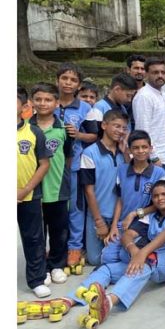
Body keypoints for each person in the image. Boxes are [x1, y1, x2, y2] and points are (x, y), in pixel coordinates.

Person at [65, 181, 165, 329]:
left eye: (164, 194)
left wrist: (142, 253)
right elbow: (127, 235)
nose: (160, 198)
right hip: (155, 255)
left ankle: (108, 302)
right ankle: (74, 298)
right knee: (107, 269)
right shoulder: (152, 216)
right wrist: (134, 250)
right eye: (155, 196)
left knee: (146, 262)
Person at [54, 63, 98, 272]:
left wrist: (78, 135)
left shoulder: (85, 108)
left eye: (73, 80)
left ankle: (74, 247)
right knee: (54, 207)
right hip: (50, 168)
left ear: (78, 85)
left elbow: (94, 135)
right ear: (58, 81)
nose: (68, 83)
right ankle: (56, 247)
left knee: (76, 208)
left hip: (74, 166)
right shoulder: (48, 104)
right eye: (65, 78)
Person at [30, 83, 73, 285]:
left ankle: (56, 265)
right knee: (37, 233)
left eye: (48, 99)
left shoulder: (63, 129)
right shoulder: (24, 128)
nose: (43, 103)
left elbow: (68, 156)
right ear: (31, 102)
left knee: (59, 231)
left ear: (57, 103)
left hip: (57, 188)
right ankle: (41, 269)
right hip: (32, 191)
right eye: (38, 99)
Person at [105, 130, 165, 262]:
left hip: (145, 224)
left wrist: (135, 213)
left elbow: (162, 204)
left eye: (144, 147)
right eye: (136, 148)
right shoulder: (122, 169)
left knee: (126, 255)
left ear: (150, 148)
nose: (140, 151)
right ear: (129, 150)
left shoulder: (159, 173)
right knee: (106, 257)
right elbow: (120, 200)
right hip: (124, 224)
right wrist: (114, 226)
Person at [79, 110, 128, 266]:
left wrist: (125, 151)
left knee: (118, 254)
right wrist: (99, 222)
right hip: (98, 215)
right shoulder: (89, 153)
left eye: (123, 128)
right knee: (94, 259)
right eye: (116, 126)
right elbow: (88, 190)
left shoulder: (123, 153)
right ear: (104, 125)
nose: (120, 131)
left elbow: (129, 175)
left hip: (119, 216)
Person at [18, 86, 53, 297]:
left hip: (28, 195)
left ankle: (36, 279)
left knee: (33, 238)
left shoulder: (33, 132)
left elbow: (44, 164)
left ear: (24, 107)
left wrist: (26, 190)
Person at [132, 58, 165, 188]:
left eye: (163, 72)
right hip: (156, 159)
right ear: (147, 74)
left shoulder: (162, 94)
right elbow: (142, 131)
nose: (160, 75)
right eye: (155, 72)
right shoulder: (144, 96)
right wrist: (153, 157)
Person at [87, 72, 136, 139]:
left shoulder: (123, 108)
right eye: (128, 95)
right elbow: (97, 135)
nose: (129, 100)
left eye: (131, 96)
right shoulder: (99, 107)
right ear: (117, 89)